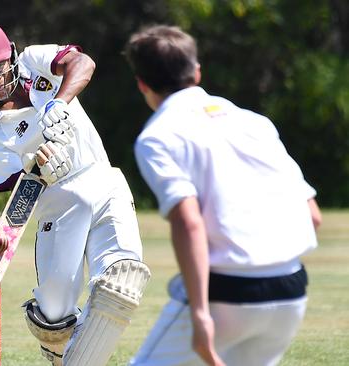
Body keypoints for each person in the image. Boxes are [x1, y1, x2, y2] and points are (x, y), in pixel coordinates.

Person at [123, 25, 322, 366]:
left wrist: (200, 314)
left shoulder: (158, 137)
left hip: (227, 294)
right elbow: (313, 215)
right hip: (291, 290)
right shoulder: (255, 123)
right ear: (197, 71)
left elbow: (189, 223)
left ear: (142, 83)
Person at [0, 21, 151, 366]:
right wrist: (36, 166)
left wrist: (59, 104)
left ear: (12, 57)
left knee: (122, 281)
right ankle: (58, 351)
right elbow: (12, 188)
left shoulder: (35, 61)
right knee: (53, 318)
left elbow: (83, 63)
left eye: (0, 68)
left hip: (104, 182)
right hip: (58, 207)